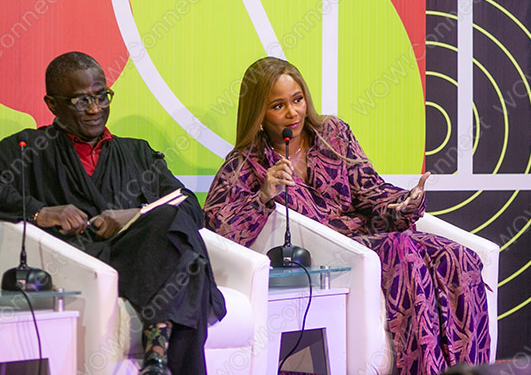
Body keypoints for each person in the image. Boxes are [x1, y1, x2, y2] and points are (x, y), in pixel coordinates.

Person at [203, 57, 490, 375]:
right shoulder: (247, 162)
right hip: (334, 254)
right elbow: (217, 228)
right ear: (259, 113)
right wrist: (263, 195)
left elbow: (370, 190)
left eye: (297, 99)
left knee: (456, 255)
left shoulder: (333, 134)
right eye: (278, 106)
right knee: (402, 248)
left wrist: (405, 202)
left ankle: (472, 369)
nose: (293, 113)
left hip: (370, 235)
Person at [0, 52, 226, 375]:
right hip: (78, 265)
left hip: (141, 262)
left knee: (171, 223)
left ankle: (157, 361)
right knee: (189, 267)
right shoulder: (32, 148)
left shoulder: (137, 153)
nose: (95, 109)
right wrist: (40, 212)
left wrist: (132, 215)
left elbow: (189, 205)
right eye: (82, 101)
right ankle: (157, 357)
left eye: (101, 96)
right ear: (53, 104)